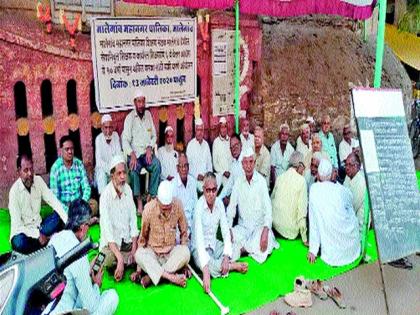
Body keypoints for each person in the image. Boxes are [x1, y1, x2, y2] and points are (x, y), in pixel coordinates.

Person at [43, 199, 118, 315]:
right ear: (83, 227)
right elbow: (90, 307)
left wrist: (86, 270)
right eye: (89, 224)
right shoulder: (78, 254)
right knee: (112, 296)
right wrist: (96, 285)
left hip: (46, 310)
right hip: (64, 311)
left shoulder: (54, 239)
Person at [193, 172, 248, 293]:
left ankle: (224, 264)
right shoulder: (199, 207)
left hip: (214, 244)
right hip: (198, 248)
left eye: (214, 190)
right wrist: (206, 272)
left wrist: (226, 257)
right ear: (203, 190)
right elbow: (199, 239)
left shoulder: (219, 204)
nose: (211, 194)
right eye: (208, 190)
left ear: (217, 190)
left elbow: (225, 232)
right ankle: (232, 267)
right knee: (209, 267)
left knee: (234, 249)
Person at [227, 147, 279, 263]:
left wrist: (265, 230)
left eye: (251, 162)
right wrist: (229, 230)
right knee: (231, 235)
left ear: (254, 163)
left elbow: (268, 209)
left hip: (258, 229)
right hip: (243, 228)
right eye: (245, 162)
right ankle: (249, 248)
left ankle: (242, 250)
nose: (248, 166)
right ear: (242, 164)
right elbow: (231, 209)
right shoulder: (238, 183)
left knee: (267, 238)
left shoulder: (261, 182)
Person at [134, 180, 190, 288]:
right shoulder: (148, 209)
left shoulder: (178, 205)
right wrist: (139, 270)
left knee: (185, 252)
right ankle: (171, 277)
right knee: (139, 254)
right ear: (157, 200)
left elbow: (184, 233)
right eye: (163, 208)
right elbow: (142, 239)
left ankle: (152, 277)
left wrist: (185, 265)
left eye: (168, 208)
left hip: (170, 255)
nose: (166, 212)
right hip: (153, 253)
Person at [9, 154, 68, 254]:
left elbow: (53, 201)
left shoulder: (38, 181)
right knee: (19, 243)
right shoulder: (14, 192)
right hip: (24, 233)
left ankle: (42, 244)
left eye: (31, 169)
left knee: (58, 217)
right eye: (25, 170)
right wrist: (37, 235)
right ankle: (47, 242)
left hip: (41, 227)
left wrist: (67, 221)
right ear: (19, 171)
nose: (30, 174)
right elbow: (18, 225)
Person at [307, 159, 360, 267]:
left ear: (318, 174)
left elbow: (313, 223)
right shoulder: (341, 190)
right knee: (349, 211)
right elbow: (350, 198)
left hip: (332, 255)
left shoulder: (313, 189)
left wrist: (313, 250)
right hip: (351, 247)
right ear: (332, 174)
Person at [99, 155, 139, 282]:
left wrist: (134, 249)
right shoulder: (105, 197)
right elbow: (108, 233)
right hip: (112, 245)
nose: (123, 177)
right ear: (112, 177)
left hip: (126, 242)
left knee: (142, 248)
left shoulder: (128, 190)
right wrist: (120, 259)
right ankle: (125, 261)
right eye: (119, 173)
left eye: (124, 173)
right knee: (108, 259)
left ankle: (128, 259)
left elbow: (133, 220)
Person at [122, 91, 161, 215]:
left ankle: (151, 196)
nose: (141, 104)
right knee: (133, 170)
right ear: (135, 103)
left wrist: (150, 147)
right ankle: (139, 200)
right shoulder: (130, 118)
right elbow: (125, 140)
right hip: (135, 155)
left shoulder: (148, 115)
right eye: (139, 101)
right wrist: (131, 153)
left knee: (157, 165)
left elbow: (154, 136)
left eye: (143, 101)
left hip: (146, 154)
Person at [271, 152, 308, 245]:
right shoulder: (302, 181)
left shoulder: (280, 178)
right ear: (299, 165)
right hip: (290, 231)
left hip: (275, 227)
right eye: (303, 166)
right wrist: (305, 239)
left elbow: (272, 200)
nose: (304, 170)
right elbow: (302, 212)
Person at [50, 135, 91, 211]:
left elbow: (86, 188)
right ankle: (82, 220)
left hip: (79, 204)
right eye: (67, 149)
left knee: (93, 204)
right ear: (61, 150)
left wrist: (82, 203)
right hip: (65, 207)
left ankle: (77, 219)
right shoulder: (55, 168)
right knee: (57, 213)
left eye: (72, 148)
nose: (70, 152)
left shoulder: (79, 164)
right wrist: (67, 209)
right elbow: (54, 197)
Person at [172, 153, 198, 239]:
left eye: (186, 165)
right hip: (178, 227)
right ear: (177, 168)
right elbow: (173, 213)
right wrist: (184, 230)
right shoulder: (173, 184)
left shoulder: (193, 182)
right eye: (181, 166)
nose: (183, 169)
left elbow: (196, 208)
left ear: (188, 167)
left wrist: (193, 228)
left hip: (192, 224)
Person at [95, 114, 123, 195]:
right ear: (102, 128)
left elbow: (119, 155)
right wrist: (110, 171)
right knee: (101, 174)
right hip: (104, 169)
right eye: (106, 127)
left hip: (115, 168)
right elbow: (99, 161)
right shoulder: (98, 139)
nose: (108, 130)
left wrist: (115, 171)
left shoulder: (115, 135)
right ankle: (103, 199)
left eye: (110, 127)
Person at [343, 153, 368, 233]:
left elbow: (352, 207)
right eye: (346, 165)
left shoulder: (361, 182)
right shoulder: (348, 177)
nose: (347, 168)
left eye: (350, 165)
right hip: (349, 220)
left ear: (357, 166)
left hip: (359, 226)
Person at [186, 118, 212, 191]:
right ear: (195, 131)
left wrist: (207, 175)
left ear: (203, 131)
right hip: (194, 178)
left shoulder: (206, 145)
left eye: (201, 130)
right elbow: (188, 166)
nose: (200, 132)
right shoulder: (190, 145)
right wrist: (197, 175)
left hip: (206, 177)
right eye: (198, 130)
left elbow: (209, 163)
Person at [219, 134, 243, 205]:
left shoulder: (246, 161)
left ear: (241, 145)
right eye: (231, 147)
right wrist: (218, 200)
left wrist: (231, 201)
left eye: (236, 145)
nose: (234, 149)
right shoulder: (234, 164)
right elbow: (229, 185)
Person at [212, 117, 232, 188]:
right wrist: (223, 172)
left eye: (225, 127)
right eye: (222, 127)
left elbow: (233, 159)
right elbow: (215, 163)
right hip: (220, 174)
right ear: (219, 129)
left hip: (231, 173)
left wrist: (230, 172)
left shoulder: (230, 140)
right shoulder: (216, 142)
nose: (223, 129)